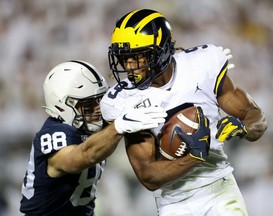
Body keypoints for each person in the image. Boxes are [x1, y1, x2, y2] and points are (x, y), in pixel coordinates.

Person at [100, 9, 268, 216]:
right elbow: (147, 176)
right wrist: (194, 157)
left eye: (138, 57)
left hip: (218, 187)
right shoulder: (124, 99)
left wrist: (245, 128)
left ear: (161, 51)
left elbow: (255, 115)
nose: (130, 66)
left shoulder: (201, 65)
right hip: (173, 202)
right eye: (125, 58)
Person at [19, 60, 167, 216]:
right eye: (89, 105)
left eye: (100, 100)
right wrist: (118, 127)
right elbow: (83, 156)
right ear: (63, 106)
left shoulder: (89, 124)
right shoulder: (54, 133)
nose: (98, 110)